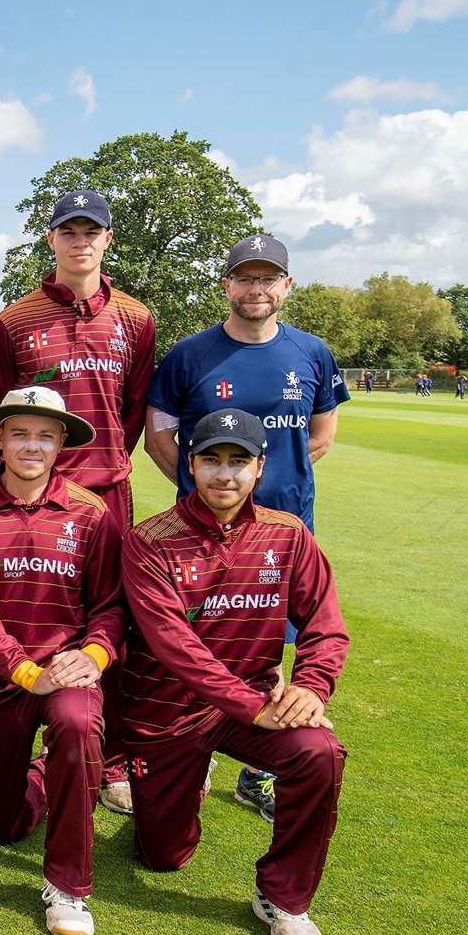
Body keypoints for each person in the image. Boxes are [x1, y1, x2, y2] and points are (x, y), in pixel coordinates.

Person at [121, 408, 350, 935]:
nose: (225, 475)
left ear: (260, 467)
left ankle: (283, 898)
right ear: (191, 465)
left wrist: (311, 689)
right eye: (212, 461)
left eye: (239, 462)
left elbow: (325, 625)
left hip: (251, 708)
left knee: (319, 751)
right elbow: (177, 647)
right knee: (163, 856)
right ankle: (189, 778)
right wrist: (255, 707)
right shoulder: (149, 541)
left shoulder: (288, 535)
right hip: (167, 712)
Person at [145, 233, 349, 821]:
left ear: (286, 285)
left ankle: (261, 768)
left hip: (286, 530)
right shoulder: (189, 355)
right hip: (201, 529)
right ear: (227, 284)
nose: (255, 289)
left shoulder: (312, 353)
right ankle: (200, 744)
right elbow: (161, 434)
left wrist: (262, 495)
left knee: (271, 641)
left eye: (268, 278)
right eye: (244, 277)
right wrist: (199, 489)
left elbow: (321, 435)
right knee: (199, 633)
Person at [0, 188, 154, 815]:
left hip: (105, 492)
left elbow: (132, 409)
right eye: (68, 231)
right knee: (31, 612)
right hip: (33, 494)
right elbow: (0, 410)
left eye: (92, 231)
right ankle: (27, 729)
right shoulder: (15, 320)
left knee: (112, 622)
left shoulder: (136, 317)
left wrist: (97, 468)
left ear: (108, 239)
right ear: (50, 239)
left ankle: (109, 759)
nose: (80, 241)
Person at [0, 387, 127, 935]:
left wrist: (91, 657)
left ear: (62, 443)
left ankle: (68, 887)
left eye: (45, 434)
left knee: (75, 723)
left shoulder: (92, 514)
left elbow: (113, 608)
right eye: (19, 432)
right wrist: (27, 672)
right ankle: (52, 772)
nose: (31, 445)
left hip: (67, 673)